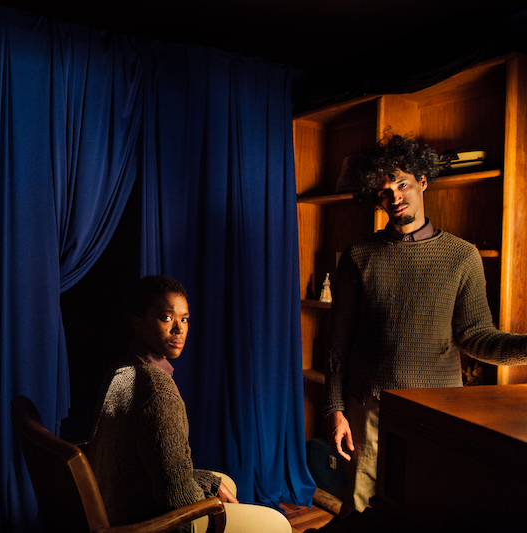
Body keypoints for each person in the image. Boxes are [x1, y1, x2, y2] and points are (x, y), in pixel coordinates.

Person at [324, 133, 527, 516]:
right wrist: (336, 408)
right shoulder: (357, 257)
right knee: (361, 512)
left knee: (431, 509)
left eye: (402, 184)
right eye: (384, 191)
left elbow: (478, 338)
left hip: (438, 411)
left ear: (422, 180)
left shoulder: (463, 256)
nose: (395, 196)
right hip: (369, 407)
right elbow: (338, 344)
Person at [87, 275, 291, 533]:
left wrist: (209, 483)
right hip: (146, 521)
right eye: (166, 317)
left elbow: (160, 467)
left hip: (118, 501)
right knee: (279, 524)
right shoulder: (158, 390)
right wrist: (209, 497)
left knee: (225, 482)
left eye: (184, 319)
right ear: (139, 323)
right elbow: (178, 500)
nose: (179, 329)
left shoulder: (121, 369)